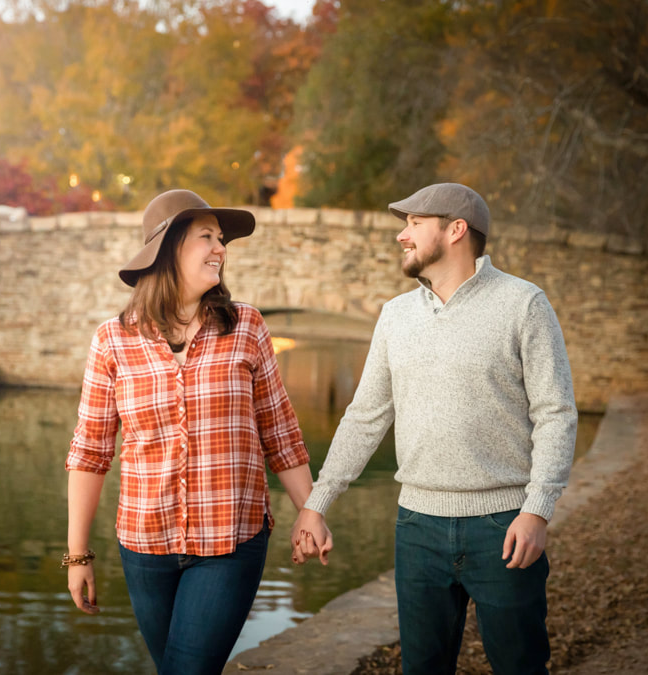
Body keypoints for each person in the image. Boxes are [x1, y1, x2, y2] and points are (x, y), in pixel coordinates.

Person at [292, 183, 577, 674]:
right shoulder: (395, 315)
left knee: (521, 665)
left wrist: (538, 511)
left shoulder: (523, 304)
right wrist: (317, 503)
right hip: (417, 526)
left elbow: (556, 413)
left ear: (456, 230)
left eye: (414, 224)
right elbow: (365, 417)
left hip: (503, 525)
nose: (402, 236)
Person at [64, 189, 320, 675]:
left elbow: (280, 431)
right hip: (144, 547)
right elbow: (90, 452)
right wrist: (77, 555)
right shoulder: (112, 341)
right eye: (207, 237)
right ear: (167, 248)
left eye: (221, 239)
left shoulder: (246, 326)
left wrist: (310, 510)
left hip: (230, 541)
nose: (220, 248)